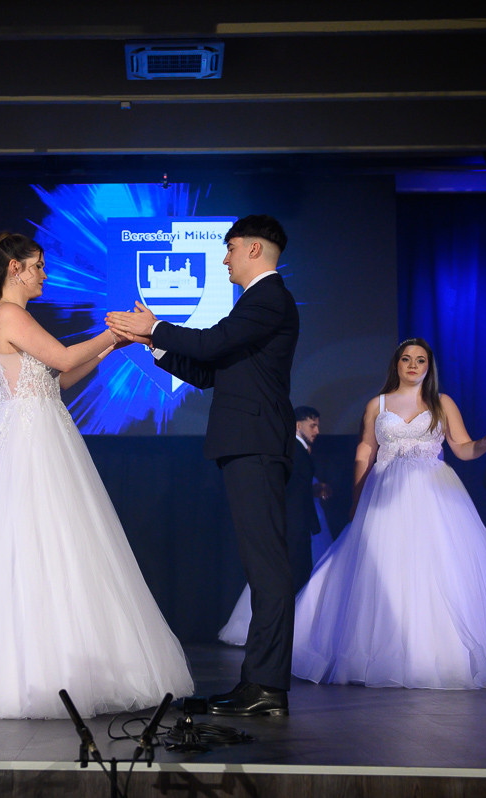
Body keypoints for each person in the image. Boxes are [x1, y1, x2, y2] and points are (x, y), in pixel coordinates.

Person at [0, 232, 192, 719]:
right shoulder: (9, 314)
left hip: (43, 432)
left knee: (61, 545)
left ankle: (65, 665)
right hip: (29, 442)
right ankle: (27, 673)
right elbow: (65, 358)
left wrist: (111, 349)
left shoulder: (15, 316)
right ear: (15, 268)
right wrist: (115, 332)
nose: (44, 275)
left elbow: (61, 379)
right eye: (38, 266)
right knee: (31, 543)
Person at [107, 214, 299, 717]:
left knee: (267, 567)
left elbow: (211, 344)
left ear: (254, 249)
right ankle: (259, 682)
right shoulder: (255, 303)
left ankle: (268, 687)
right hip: (247, 443)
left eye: (230, 248)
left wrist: (155, 326)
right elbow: (210, 369)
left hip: (257, 442)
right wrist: (151, 342)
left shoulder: (268, 298)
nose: (224, 258)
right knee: (261, 566)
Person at [293, 338, 486, 688]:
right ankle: (380, 652)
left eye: (420, 360)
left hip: (433, 494)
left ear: (429, 367)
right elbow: (365, 451)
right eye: (406, 359)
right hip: (385, 496)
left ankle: (436, 652)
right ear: (396, 364)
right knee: (384, 569)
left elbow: (462, 448)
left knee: (436, 568)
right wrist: (357, 497)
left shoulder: (441, 403)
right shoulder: (377, 404)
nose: (413, 365)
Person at [218, 405, 330, 647]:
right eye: (313, 425)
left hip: (296, 523)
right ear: (298, 425)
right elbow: (289, 490)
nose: (317, 431)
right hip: (293, 525)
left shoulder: (298, 451)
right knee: (294, 576)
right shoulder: (294, 451)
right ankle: (286, 632)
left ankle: (289, 631)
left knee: (297, 575)